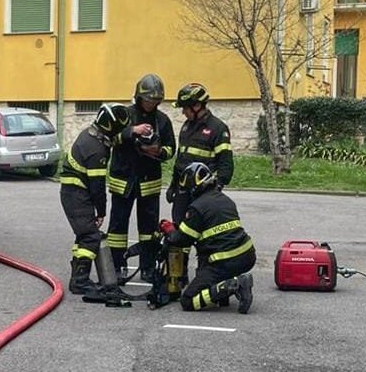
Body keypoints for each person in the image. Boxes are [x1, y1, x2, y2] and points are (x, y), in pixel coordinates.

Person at [105, 73, 176, 282]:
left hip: (149, 182)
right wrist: (132, 131)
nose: (151, 104)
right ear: (139, 97)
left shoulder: (162, 120)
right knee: (117, 228)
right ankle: (117, 266)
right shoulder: (125, 115)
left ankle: (147, 267)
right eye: (148, 100)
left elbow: (172, 149)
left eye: (155, 101)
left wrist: (158, 152)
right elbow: (112, 138)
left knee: (148, 230)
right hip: (123, 180)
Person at [159, 161, 255, 313]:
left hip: (224, 262)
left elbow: (181, 239)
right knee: (206, 265)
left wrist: (169, 229)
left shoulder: (197, 208)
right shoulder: (225, 199)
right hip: (247, 256)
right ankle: (223, 292)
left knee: (188, 301)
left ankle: (233, 285)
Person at [59, 103, 130, 295]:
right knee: (90, 236)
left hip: (74, 193)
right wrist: (101, 212)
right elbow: (97, 187)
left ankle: (78, 277)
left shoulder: (90, 136)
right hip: (77, 195)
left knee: (83, 235)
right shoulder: (97, 150)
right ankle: (80, 281)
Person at [168, 83, 233, 226]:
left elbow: (226, 164)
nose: (183, 112)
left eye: (185, 108)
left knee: (203, 232)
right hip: (183, 191)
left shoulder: (218, 128)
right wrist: (173, 185)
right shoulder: (186, 127)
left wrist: (217, 188)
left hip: (204, 193)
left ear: (197, 106)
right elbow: (181, 158)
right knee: (179, 231)